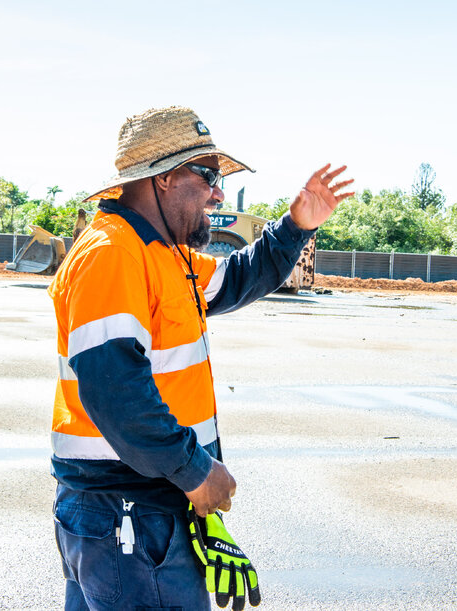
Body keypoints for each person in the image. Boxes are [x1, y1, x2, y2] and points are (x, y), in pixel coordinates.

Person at [48, 106, 354, 610]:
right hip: (128, 507)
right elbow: (113, 389)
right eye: (209, 176)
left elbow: (238, 278)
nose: (218, 193)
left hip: (142, 506)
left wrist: (296, 226)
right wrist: (193, 469)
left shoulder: (167, 253)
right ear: (165, 178)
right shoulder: (113, 254)